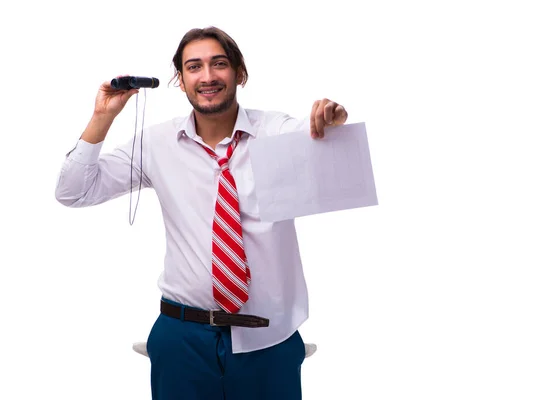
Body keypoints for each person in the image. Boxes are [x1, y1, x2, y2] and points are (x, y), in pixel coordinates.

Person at [55, 26, 348, 400]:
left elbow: (316, 141)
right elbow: (72, 191)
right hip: (181, 338)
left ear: (240, 73)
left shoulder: (275, 131)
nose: (207, 76)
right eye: (194, 67)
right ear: (181, 80)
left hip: (268, 337)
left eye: (219, 64)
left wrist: (329, 124)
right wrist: (102, 116)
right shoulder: (156, 143)